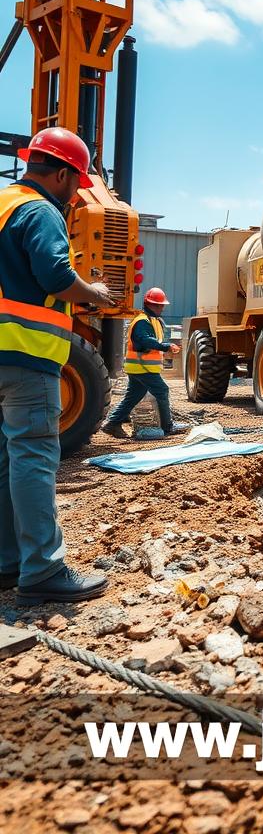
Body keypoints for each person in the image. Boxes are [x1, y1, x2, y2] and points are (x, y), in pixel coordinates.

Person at [0, 127, 116, 605]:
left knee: (8, 458)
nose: (76, 193)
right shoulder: (41, 210)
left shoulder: (5, 202)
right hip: (26, 353)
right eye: (77, 182)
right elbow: (54, 275)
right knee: (33, 454)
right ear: (64, 174)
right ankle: (44, 570)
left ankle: (9, 562)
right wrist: (93, 293)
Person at [101, 288, 182, 439]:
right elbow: (145, 341)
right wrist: (166, 346)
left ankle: (112, 423)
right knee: (162, 390)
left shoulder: (152, 321)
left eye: (162, 305)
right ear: (149, 304)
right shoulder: (142, 322)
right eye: (158, 305)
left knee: (134, 395)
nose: (161, 307)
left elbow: (150, 341)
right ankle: (168, 427)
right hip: (142, 367)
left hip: (139, 367)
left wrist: (165, 346)